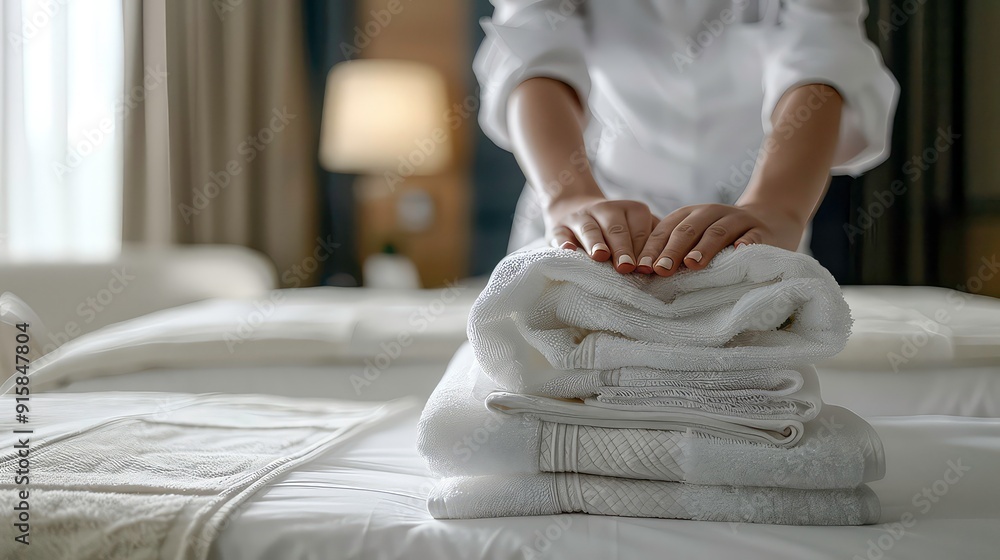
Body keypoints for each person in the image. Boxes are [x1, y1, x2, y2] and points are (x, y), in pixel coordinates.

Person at [475, 0, 898, 275]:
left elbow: (822, 52)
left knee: (749, 382)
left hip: (751, 218)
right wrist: (569, 198)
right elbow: (533, 51)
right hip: (593, 203)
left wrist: (778, 209)